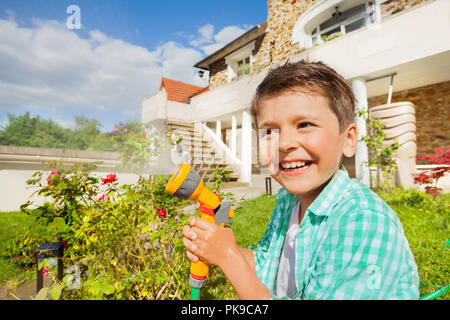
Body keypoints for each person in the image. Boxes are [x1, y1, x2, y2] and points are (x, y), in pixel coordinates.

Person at [182, 60, 419, 300]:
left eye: (304, 124)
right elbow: (268, 264)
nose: (284, 143)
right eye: (269, 131)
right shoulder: (288, 199)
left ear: (348, 140)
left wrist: (229, 258)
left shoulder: (363, 221)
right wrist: (219, 247)